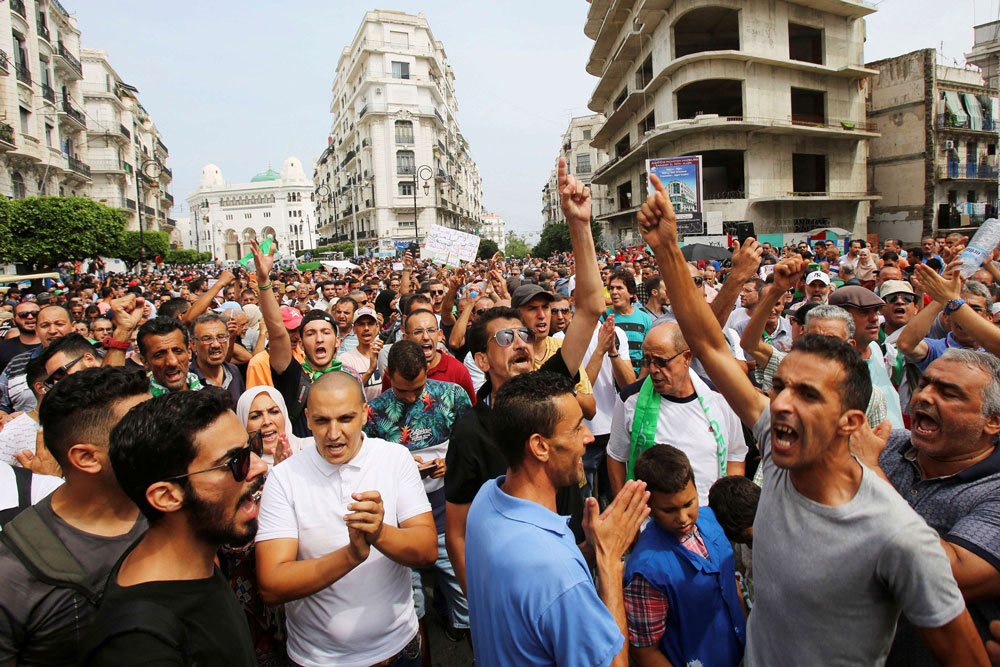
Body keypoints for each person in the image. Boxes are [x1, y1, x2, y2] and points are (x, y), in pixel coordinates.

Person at [638, 169, 988, 665]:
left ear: (851, 422)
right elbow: (708, 344)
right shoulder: (783, 453)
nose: (781, 404)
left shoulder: (900, 538)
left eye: (807, 395)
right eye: (780, 387)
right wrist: (669, 249)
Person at [445, 157, 606, 596]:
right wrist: (476, 600)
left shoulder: (553, 382)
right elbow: (457, 531)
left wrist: (580, 225)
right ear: (480, 360)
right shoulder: (470, 429)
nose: (519, 342)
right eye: (504, 338)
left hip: (574, 558)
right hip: (509, 582)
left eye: (522, 334)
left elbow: (590, 305)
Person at [465, 371, 650, 667]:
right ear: (540, 446)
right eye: (577, 428)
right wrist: (609, 559)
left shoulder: (486, 499)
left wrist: (588, 550)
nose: (588, 437)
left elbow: (531, 587)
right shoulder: (557, 573)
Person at [255, 372, 437, 666]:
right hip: (317, 659)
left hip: (399, 650)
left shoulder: (395, 459)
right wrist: (352, 555)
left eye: (345, 418)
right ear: (308, 419)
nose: (334, 433)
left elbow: (427, 550)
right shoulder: (283, 478)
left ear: (365, 414)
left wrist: (380, 533)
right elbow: (272, 585)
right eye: (322, 421)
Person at [84, 389, 262, 666]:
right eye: (234, 462)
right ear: (167, 497)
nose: (259, 467)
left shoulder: (197, 557)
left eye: (252, 448)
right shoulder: (140, 645)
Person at [851, 349, 1000, 663]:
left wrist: (872, 475)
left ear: (993, 422)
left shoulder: (995, 489)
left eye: (949, 393)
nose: (924, 397)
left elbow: (948, 574)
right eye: (925, 384)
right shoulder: (886, 445)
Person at [0, 367, 150, 666]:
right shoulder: (12, 573)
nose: (165, 435)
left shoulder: (173, 512)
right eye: (142, 428)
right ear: (87, 458)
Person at [365, 339, 473, 642]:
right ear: (389, 376)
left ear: (428, 371)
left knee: (463, 590)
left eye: (418, 388)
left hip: (447, 516)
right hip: (399, 521)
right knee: (409, 602)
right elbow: (366, 463)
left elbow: (471, 443)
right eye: (402, 391)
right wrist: (397, 466)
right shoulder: (373, 413)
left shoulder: (452, 396)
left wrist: (450, 463)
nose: (411, 398)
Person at [624, 445, 746, 666]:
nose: (682, 517)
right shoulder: (647, 572)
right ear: (648, 504)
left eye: (689, 504)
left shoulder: (711, 520)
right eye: (669, 510)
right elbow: (644, 651)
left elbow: (730, 584)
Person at [607, 321, 747, 502]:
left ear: (687, 357)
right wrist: (625, 511)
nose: (653, 370)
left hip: (710, 516)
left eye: (661, 362)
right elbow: (616, 456)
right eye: (647, 360)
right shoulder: (630, 399)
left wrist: (726, 509)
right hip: (651, 519)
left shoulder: (721, 398)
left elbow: (735, 454)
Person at [828, 286, 905, 428]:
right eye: (864, 312)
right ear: (840, 317)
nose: (874, 318)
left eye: (875, 311)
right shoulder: (832, 363)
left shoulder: (876, 348)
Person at [381, 308, 475, 403]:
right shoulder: (395, 372)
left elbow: (472, 413)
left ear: (439, 335)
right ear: (405, 338)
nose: (426, 337)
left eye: (431, 330)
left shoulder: (458, 371)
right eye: (418, 331)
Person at [0, 305, 75, 415]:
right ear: (36, 330)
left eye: (59, 324)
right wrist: (4, 416)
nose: (52, 331)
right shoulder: (16, 364)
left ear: (73, 326)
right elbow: (2, 406)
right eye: (45, 326)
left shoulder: (94, 358)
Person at [235, 386, 311, 467]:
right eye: (256, 416)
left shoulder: (314, 449)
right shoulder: (241, 471)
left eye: (274, 412)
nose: (267, 422)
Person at [603, 270, 653, 374]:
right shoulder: (604, 318)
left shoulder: (645, 318)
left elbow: (648, 355)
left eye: (619, 288)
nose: (614, 292)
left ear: (631, 293)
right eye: (611, 288)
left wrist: (639, 381)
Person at [189, 313, 245, 401]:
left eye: (221, 337)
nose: (216, 344)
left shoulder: (233, 371)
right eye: (207, 338)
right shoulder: (188, 380)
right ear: (192, 344)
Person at [0, 301, 40, 374]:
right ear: (13, 321)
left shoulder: (57, 344)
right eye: (23, 315)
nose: (30, 317)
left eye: (35, 314)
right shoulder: (2, 348)